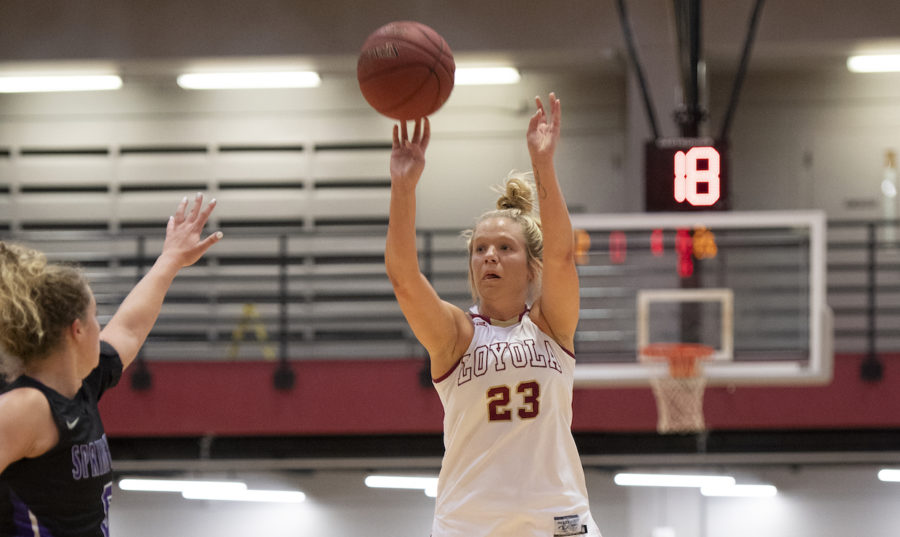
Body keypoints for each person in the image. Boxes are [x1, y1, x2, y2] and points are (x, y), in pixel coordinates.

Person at [385, 93, 602, 537]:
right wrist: (403, 188)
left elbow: (562, 256)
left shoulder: (551, 326)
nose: (489, 257)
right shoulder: (455, 336)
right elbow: (404, 278)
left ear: (531, 266)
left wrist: (543, 163)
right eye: (480, 249)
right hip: (470, 524)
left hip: (556, 517)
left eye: (505, 248)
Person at [0, 194, 222, 537]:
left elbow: (130, 328)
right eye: (96, 318)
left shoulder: (81, 384)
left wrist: (170, 260)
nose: (102, 328)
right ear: (76, 330)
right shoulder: (25, 407)